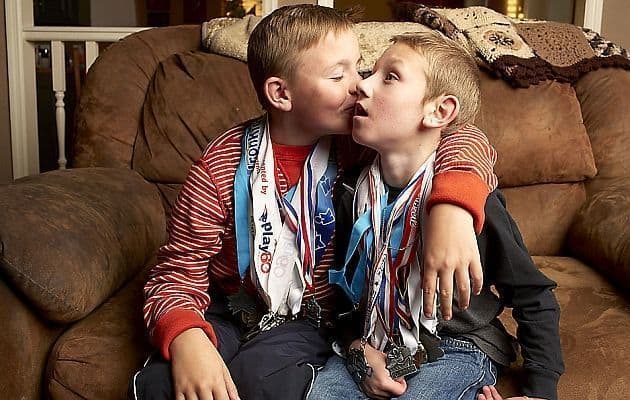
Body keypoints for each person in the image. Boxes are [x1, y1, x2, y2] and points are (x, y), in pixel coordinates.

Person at [129, 6, 499, 400]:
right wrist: (187, 338)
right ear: (281, 93)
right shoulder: (219, 167)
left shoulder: (357, 145)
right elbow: (175, 274)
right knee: (164, 382)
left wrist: (453, 208)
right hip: (231, 309)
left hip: (308, 321)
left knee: (264, 381)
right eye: (340, 75)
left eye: (360, 68)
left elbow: (460, 134)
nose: (360, 85)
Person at [315, 31, 563, 400]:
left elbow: (533, 294)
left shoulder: (474, 204)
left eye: (391, 77)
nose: (362, 86)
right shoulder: (351, 190)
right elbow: (341, 296)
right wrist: (357, 352)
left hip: (457, 347)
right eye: (371, 71)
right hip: (375, 340)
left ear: (439, 112)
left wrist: (541, 390)